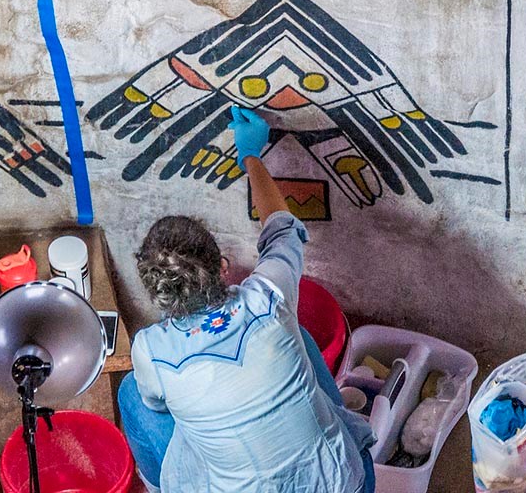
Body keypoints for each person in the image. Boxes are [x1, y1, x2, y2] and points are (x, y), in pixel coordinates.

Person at [118, 106, 376, 493]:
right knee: (297, 337)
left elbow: (158, 407)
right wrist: (251, 154)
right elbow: (282, 228)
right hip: (346, 484)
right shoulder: (268, 299)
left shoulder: (151, 350)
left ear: (158, 296)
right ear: (223, 267)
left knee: (133, 397)